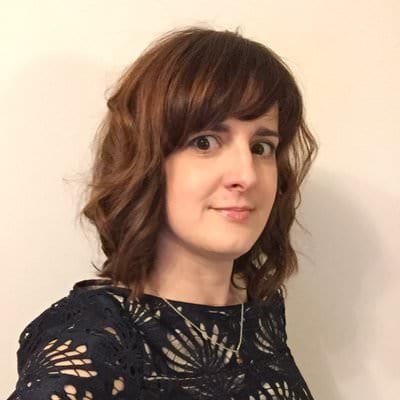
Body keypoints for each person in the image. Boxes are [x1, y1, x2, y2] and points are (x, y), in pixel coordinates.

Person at [8, 26, 318, 399]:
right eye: (205, 142)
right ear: (146, 162)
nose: (247, 175)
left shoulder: (257, 310)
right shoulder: (96, 340)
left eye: (261, 147)